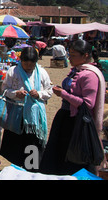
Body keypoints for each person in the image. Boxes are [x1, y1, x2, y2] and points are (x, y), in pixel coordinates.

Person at [39, 39, 106, 175]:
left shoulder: (89, 75)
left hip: (76, 123)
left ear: (85, 55)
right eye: (69, 54)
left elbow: (87, 104)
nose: (70, 58)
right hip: (66, 118)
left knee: (73, 159)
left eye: (73, 55)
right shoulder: (77, 71)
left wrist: (63, 94)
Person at [0, 47, 52, 170]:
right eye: (25, 63)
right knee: (16, 144)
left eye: (31, 63)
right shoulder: (13, 71)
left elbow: (49, 91)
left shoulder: (42, 73)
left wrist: (39, 94)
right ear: (20, 60)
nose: (28, 66)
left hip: (34, 118)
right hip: (17, 115)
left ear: (36, 62)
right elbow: (5, 90)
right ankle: (18, 169)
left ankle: (30, 170)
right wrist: (15, 93)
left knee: (32, 143)